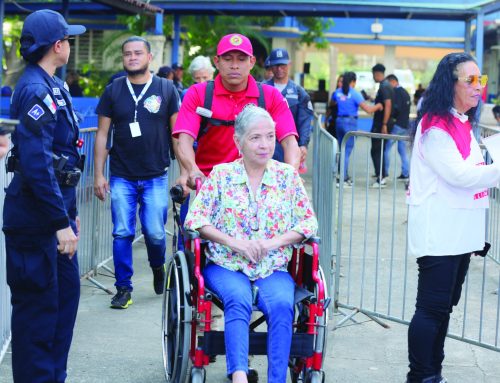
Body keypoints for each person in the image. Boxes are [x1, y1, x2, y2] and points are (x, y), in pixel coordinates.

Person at [184, 104, 318, 383]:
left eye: (270, 136)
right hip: (227, 264)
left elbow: (308, 223)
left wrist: (272, 243)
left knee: (283, 304)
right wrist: (235, 243)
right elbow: (194, 220)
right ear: (238, 141)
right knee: (238, 299)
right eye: (255, 138)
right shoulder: (221, 176)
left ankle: (277, 379)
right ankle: (239, 376)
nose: (265, 144)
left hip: (272, 265)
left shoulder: (287, 177)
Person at [405, 52, 500, 383]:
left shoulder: (461, 120)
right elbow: (460, 175)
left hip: (459, 232)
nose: (478, 87)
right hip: (440, 233)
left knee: (443, 310)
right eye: (470, 80)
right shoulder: (436, 127)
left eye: (481, 80)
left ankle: (434, 372)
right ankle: (420, 376)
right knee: (431, 310)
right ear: (451, 84)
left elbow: (471, 172)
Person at [3, 9, 85, 382]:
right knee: (38, 317)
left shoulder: (51, 84)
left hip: (54, 219)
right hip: (37, 224)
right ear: (57, 45)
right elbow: (37, 166)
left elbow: (62, 158)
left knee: (62, 307)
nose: (70, 44)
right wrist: (59, 223)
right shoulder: (36, 89)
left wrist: (69, 215)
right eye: (68, 39)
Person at [94, 36, 180, 309]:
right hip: (121, 175)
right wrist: (98, 174)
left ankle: (157, 266)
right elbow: (102, 134)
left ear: (149, 57)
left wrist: (186, 171)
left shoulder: (166, 89)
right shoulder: (113, 90)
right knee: (122, 232)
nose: (132, 57)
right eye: (127, 54)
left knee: (155, 233)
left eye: (138, 53)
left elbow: (177, 135)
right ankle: (123, 288)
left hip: (156, 174)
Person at [173, 33, 300, 194]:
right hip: (211, 185)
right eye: (227, 59)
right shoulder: (198, 94)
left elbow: (290, 143)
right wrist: (192, 169)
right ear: (217, 62)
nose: (234, 65)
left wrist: (290, 176)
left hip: (258, 188)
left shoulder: (271, 96)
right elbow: (183, 141)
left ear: (252, 62)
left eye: (241, 59)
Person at [265, 48, 314, 168]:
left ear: (289, 64)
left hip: (289, 146)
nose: (279, 69)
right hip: (265, 145)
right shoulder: (262, 88)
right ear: (270, 66)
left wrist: (303, 145)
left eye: (283, 65)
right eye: (276, 65)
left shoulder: (298, 92)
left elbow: (304, 121)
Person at [331, 71, 382, 185]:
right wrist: (378, 106)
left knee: (342, 148)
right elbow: (368, 110)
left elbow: (332, 103)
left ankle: (343, 175)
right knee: (347, 151)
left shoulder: (337, 93)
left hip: (339, 121)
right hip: (350, 122)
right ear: (353, 82)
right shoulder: (355, 94)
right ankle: (343, 178)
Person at [383, 74, 411, 181]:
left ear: (393, 81)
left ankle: (384, 172)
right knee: (402, 151)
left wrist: (390, 118)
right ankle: (405, 173)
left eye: (388, 83)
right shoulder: (405, 92)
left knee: (386, 149)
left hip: (397, 126)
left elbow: (396, 109)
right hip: (405, 126)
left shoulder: (397, 92)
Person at [371, 63, 394, 187]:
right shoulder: (387, 85)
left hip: (381, 124)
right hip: (382, 123)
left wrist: (384, 124)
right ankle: (382, 174)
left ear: (376, 74)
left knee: (376, 151)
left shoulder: (384, 86)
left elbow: (388, 105)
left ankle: (381, 177)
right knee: (379, 150)